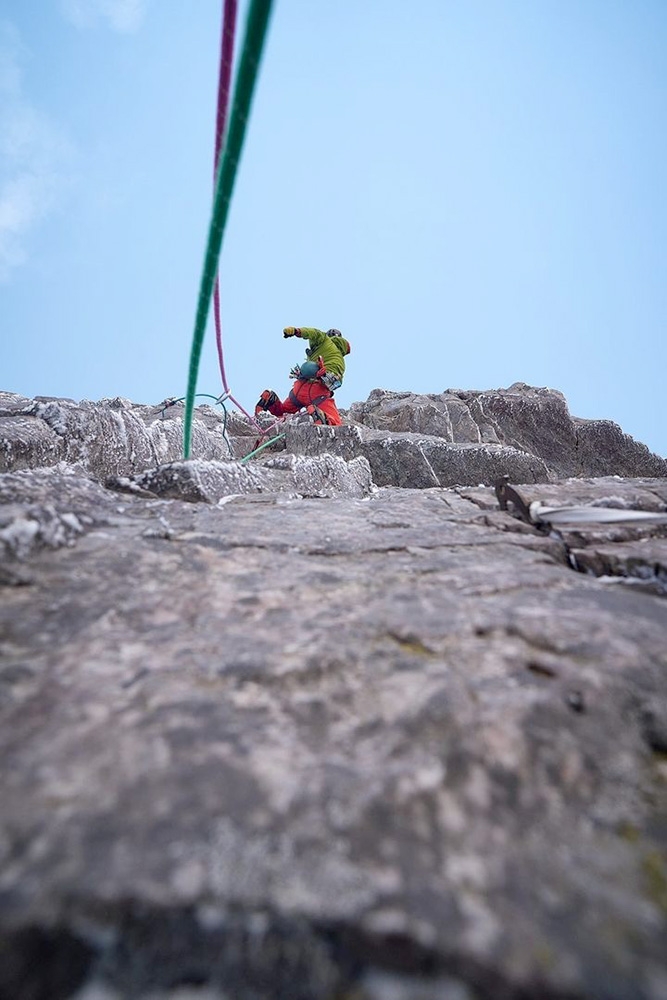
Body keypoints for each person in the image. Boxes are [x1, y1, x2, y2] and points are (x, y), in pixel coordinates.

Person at [255, 327, 351, 426]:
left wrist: (297, 331)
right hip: (317, 392)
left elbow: (314, 333)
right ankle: (319, 414)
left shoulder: (321, 346)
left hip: (299, 388)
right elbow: (335, 380)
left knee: (283, 411)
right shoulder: (338, 358)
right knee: (335, 423)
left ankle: (270, 399)